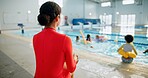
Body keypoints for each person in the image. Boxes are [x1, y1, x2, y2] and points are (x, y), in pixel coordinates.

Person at [33, 1, 78, 78]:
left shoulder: (35, 37)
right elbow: (71, 69)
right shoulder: (65, 39)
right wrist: (75, 59)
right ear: (57, 18)